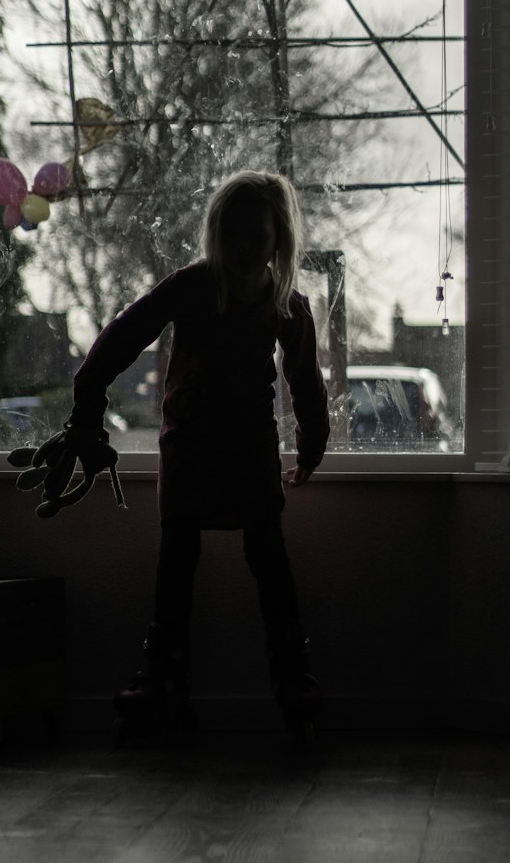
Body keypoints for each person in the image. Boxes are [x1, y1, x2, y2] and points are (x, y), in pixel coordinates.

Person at [67, 170, 329, 735]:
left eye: (255, 237)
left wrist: (312, 448)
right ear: (216, 234)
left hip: (251, 448)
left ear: (277, 239)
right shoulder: (192, 285)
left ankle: (291, 674)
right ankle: (162, 677)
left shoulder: (288, 305)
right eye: (232, 234)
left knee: (269, 556)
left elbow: (306, 382)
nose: (242, 248)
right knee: (177, 560)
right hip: (188, 445)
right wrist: (87, 400)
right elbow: (122, 334)